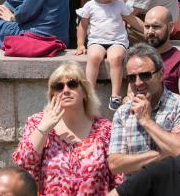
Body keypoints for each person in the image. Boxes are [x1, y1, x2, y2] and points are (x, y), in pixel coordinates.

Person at [13, 62, 121, 195]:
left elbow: (119, 179)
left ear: (85, 91)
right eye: (58, 86)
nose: (65, 90)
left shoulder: (105, 129)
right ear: (53, 95)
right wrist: (44, 128)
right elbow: (23, 164)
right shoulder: (36, 123)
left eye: (72, 84)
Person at [107, 43, 180, 175]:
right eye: (132, 77)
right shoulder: (123, 113)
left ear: (161, 74)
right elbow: (115, 164)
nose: (138, 83)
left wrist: (146, 121)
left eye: (145, 75)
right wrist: (165, 153)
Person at [76, 0, 143, 111]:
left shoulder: (119, 5)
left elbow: (132, 20)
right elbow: (82, 26)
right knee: (93, 56)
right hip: (96, 41)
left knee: (116, 57)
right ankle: (90, 94)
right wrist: (81, 44)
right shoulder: (90, 6)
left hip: (117, 41)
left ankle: (115, 95)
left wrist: (148, 30)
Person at [143, 6, 180, 100]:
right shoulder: (139, 58)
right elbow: (129, 94)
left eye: (156, 27)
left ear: (170, 27)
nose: (150, 32)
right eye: (147, 27)